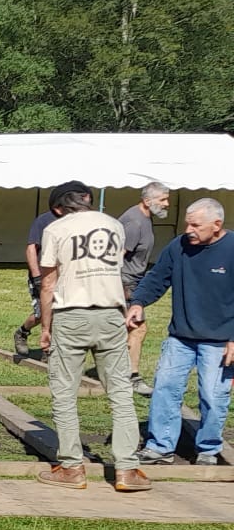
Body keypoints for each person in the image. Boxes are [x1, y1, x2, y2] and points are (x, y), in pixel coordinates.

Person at [36, 184, 149, 492]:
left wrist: (46, 327)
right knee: (121, 392)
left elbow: (48, 283)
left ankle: (72, 467)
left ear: (59, 208)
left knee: (64, 392)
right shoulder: (114, 225)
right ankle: (127, 469)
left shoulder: (57, 229)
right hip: (112, 312)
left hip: (72, 313)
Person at [128, 197, 234, 468]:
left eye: (196, 225)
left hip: (220, 340)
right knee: (165, 389)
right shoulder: (179, 246)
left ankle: (208, 448)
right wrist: (138, 302)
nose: (189, 230)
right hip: (180, 338)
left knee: (212, 395)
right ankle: (160, 447)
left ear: (217, 225)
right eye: (188, 224)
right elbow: (157, 278)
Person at [117, 181, 171, 396]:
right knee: (138, 328)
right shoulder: (134, 222)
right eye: (163, 200)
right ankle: (132, 377)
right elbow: (116, 257)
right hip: (125, 283)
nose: (167, 204)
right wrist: (121, 290)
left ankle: (120, 373)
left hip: (134, 281)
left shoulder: (145, 219)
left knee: (125, 330)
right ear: (147, 201)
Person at [13, 187, 73, 359]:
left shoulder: (72, 221)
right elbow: (31, 248)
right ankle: (22, 332)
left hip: (63, 275)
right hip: (42, 274)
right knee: (42, 313)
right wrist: (37, 276)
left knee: (59, 312)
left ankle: (51, 351)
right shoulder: (43, 221)